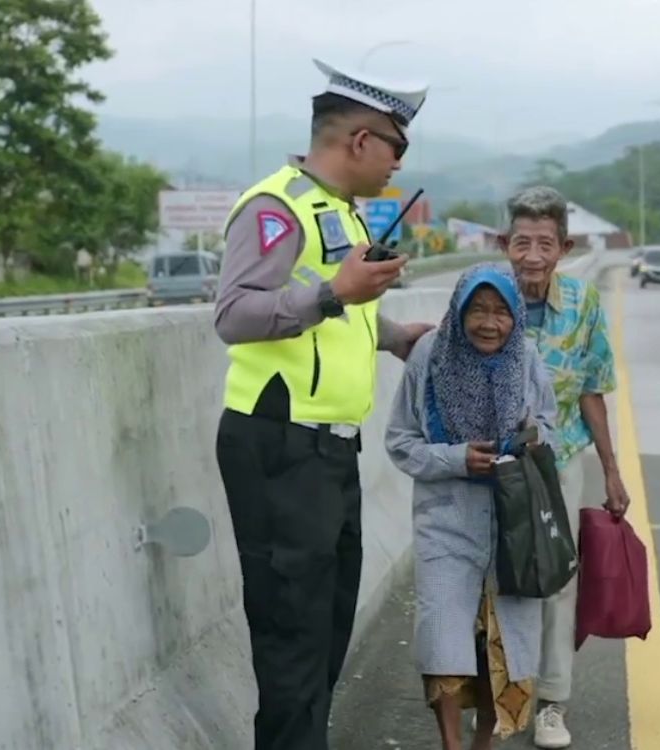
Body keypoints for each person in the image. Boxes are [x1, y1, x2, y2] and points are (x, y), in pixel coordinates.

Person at [212, 57, 436, 750]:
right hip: (280, 445)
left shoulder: (336, 211)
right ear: (360, 140)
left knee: (325, 628)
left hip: (330, 449)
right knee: (292, 636)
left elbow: (334, 317)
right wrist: (336, 292)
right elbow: (235, 314)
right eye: (397, 146)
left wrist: (395, 335)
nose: (400, 162)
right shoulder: (275, 207)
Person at [385, 262, 558, 750]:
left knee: (503, 649)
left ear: (516, 317)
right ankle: (450, 745)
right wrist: (456, 458)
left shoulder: (526, 357)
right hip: (446, 521)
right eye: (477, 311)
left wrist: (527, 440)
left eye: (501, 312)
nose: (488, 323)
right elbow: (400, 441)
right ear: (458, 313)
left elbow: (551, 428)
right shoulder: (427, 356)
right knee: (443, 638)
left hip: (514, 526)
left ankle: (483, 744)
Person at [497, 185, 629, 749]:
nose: (531, 255)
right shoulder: (485, 298)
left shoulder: (582, 303)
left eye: (543, 243)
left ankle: (552, 702)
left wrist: (612, 471)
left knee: (555, 580)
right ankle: (504, 695)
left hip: (561, 459)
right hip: (495, 462)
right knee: (500, 578)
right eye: (521, 242)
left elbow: (595, 389)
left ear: (565, 247)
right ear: (505, 243)